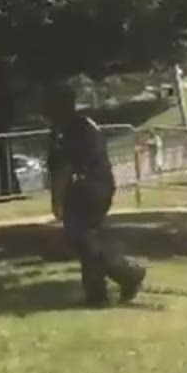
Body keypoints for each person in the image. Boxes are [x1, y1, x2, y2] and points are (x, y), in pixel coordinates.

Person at [45, 83, 144, 307]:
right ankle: (96, 293)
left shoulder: (66, 130)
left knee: (84, 241)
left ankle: (127, 275)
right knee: (86, 239)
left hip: (84, 190)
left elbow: (63, 169)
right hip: (101, 185)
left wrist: (57, 203)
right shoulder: (84, 123)